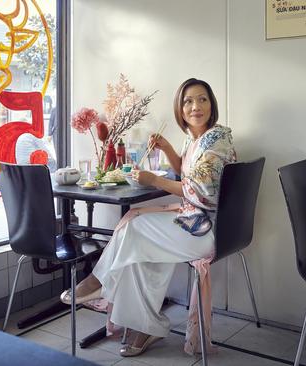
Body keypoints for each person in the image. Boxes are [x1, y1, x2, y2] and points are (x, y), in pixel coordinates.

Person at [59, 78, 236, 357]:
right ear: (180, 108)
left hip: (210, 231)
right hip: (196, 223)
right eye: (188, 101)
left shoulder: (217, 140)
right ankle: (147, 325)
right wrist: (167, 149)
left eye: (202, 99)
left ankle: (100, 281)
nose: (195, 106)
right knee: (138, 244)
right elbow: (187, 173)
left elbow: (198, 189)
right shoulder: (198, 139)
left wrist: (154, 179)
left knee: (135, 226)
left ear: (211, 104)